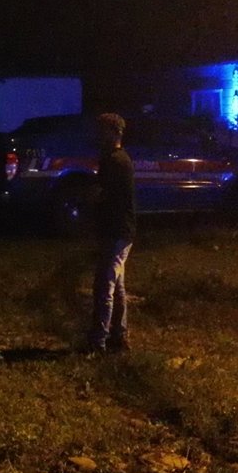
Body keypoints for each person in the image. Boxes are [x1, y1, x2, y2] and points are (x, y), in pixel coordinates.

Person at [86, 113, 136, 355]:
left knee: (104, 286)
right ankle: (119, 336)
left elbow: (102, 195)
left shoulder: (113, 161)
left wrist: (92, 198)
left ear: (114, 132)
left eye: (102, 130)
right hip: (122, 230)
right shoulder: (121, 159)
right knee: (117, 285)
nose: (98, 135)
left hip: (115, 231)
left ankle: (99, 341)